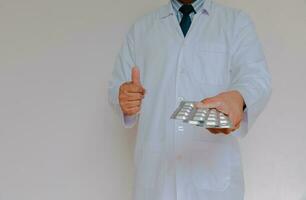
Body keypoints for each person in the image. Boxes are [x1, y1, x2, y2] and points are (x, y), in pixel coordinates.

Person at [108, 0, 271, 199]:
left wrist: (238, 99)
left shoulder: (235, 22)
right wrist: (124, 98)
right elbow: (118, 87)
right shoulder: (141, 29)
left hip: (213, 179)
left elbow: (256, 78)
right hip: (156, 180)